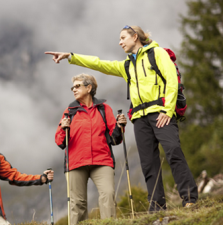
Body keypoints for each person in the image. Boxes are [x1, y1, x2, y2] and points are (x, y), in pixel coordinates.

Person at [45, 25, 198, 211]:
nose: (120, 42)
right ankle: (157, 206)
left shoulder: (157, 53)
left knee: (173, 152)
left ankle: (189, 198)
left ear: (135, 37)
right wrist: (70, 56)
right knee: (148, 163)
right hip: (140, 118)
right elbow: (99, 63)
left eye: (123, 38)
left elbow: (172, 81)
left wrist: (167, 110)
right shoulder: (127, 65)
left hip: (161, 113)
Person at [55, 73, 126, 225]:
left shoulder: (104, 109)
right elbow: (60, 141)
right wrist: (63, 127)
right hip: (76, 163)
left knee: (108, 194)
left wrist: (120, 127)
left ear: (89, 88)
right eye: (72, 87)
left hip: (102, 161)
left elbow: (115, 139)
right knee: (77, 203)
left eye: (77, 86)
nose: (74, 89)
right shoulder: (70, 111)